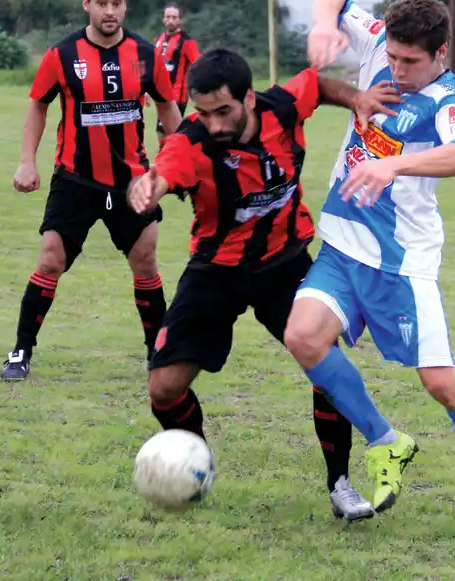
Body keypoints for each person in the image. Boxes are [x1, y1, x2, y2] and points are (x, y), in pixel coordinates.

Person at [283, 0, 455, 536]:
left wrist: (394, 164)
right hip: (342, 243)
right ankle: (387, 441)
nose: (397, 70)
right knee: (303, 337)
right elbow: (334, 0)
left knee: (443, 385)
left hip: (401, 261)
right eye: (394, 58)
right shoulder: (382, 40)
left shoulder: (447, 100)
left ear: (442, 55)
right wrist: (320, 26)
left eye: (411, 62)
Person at [128, 49, 399, 523]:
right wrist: (152, 184)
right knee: (165, 388)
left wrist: (355, 96)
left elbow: (316, 83)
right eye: (203, 112)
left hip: (286, 265)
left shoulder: (282, 108)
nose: (212, 123)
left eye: (223, 111)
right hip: (217, 271)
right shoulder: (194, 143)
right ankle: (194, 465)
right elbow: (168, 166)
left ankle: (340, 482)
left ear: (249, 98)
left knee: (326, 365)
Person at [1, 0, 182, 381]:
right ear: (86, 4)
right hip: (75, 179)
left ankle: (160, 355)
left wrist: (179, 161)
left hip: (132, 181)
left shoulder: (145, 54)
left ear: (125, 5)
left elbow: (169, 108)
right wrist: (27, 160)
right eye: (101, 2)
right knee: (51, 260)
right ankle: (20, 352)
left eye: (117, 3)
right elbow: (38, 105)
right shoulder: (61, 55)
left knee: (146, 261)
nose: (110, 11)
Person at [151, 4, 201, 145]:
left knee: (168, 133)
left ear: (180, 20)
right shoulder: (159, 39)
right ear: (163, 19)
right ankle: (168, 162)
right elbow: (154, 65)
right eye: (168, 17)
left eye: (174, 17)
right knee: (163, 133)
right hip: (160, 94)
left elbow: (197, 65)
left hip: (176, 96)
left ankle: (171, 162)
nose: (171, 20)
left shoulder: (187, 41)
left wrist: (195, 90)